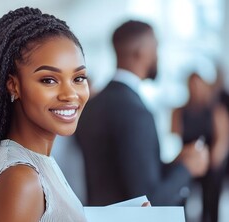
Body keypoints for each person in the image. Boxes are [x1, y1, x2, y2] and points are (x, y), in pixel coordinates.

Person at [0, 7, 94, 222]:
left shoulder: (37, 162)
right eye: (49, 80)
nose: (70, 94)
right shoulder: (22, 179)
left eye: (78, 78)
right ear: (14, 85)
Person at [76, 20, 209, 206]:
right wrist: (187, 168)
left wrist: (176, 162)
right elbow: (148, 199)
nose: (157, 56)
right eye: (155, 48)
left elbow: (125, 170)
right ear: (140, 53)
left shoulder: (92, 105)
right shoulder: (136, 112)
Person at [172, 72, 229, 222]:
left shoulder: (215, 110)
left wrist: (212, 159)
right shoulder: (179, 111)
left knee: (212, 192)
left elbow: (223, 138)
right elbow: (174, 138)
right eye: (192, 85)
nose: (195, 89)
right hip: (188, 162)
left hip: (209, 162)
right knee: (178, 190)